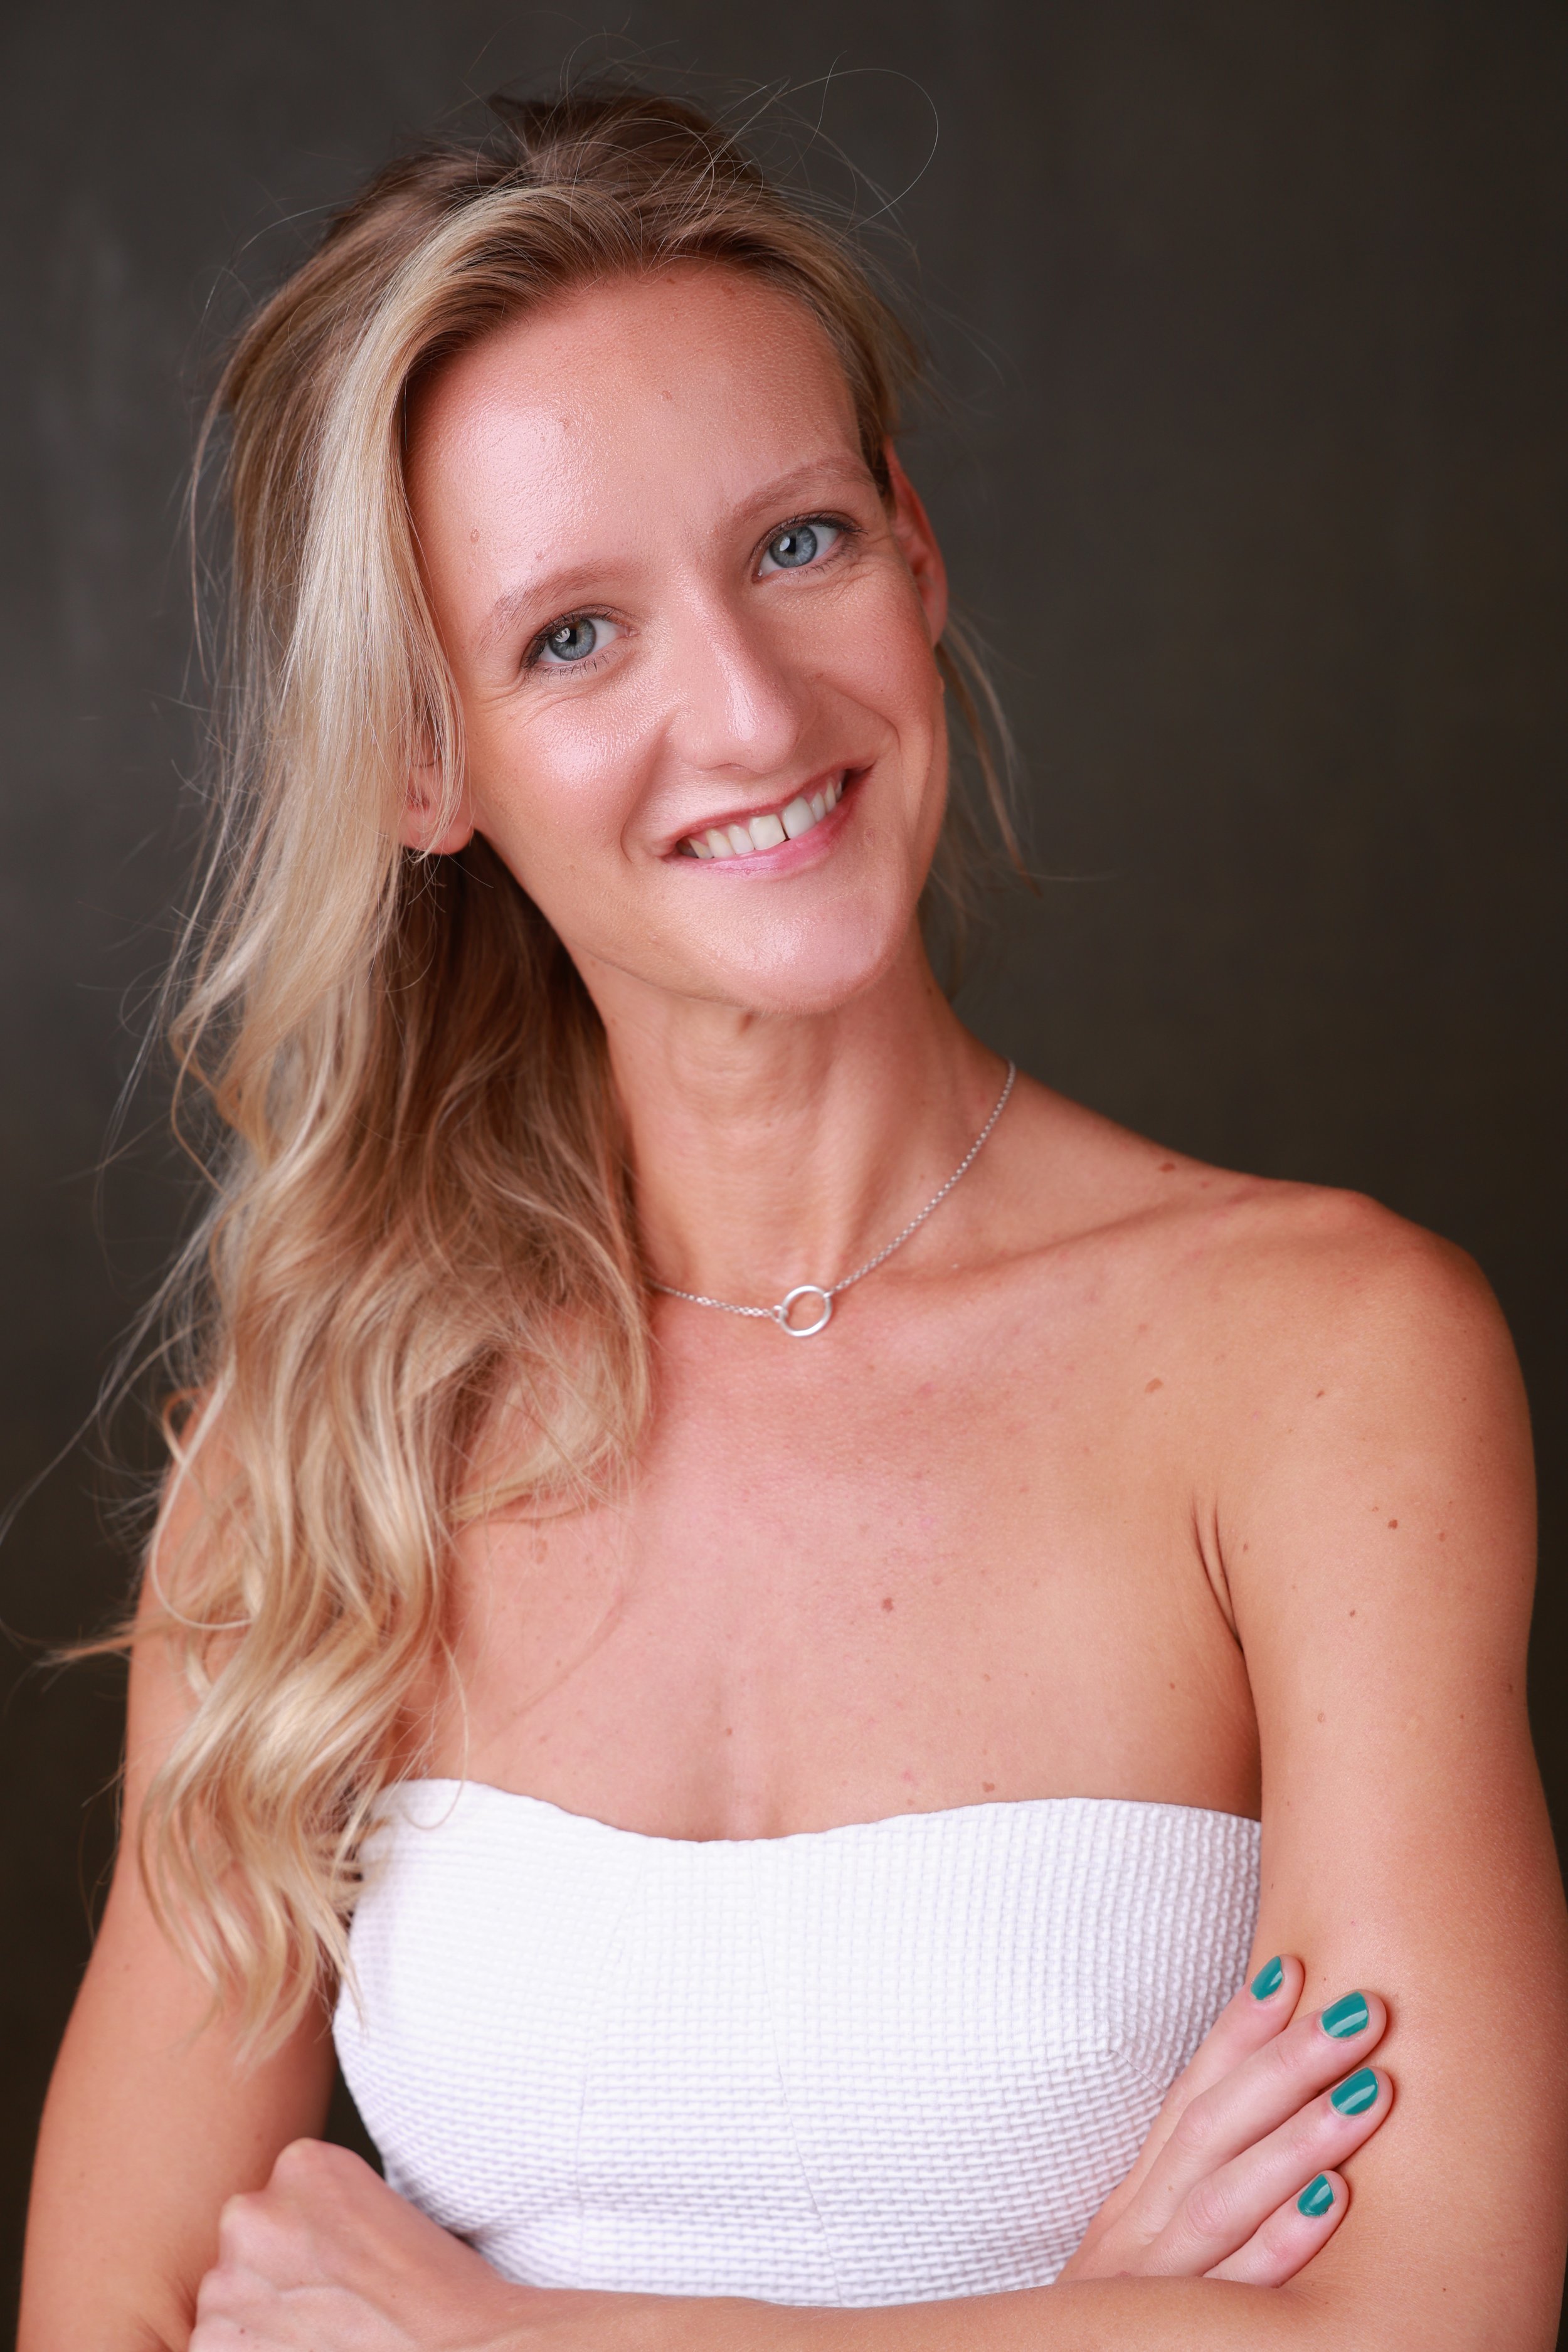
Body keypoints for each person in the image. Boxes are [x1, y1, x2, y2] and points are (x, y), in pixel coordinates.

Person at [18, 88, 1568, 2352]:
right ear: (422, 766)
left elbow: (1429, 2328)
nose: (745, 711)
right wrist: (1095, 2315)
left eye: (797, 545)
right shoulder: (325, 1439)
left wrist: (530, 2342)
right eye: (571, 637)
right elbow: (115, 2325)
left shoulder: (1325, 1361)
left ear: (918, 558)